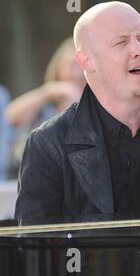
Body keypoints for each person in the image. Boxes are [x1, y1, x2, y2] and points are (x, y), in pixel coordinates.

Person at [14, 1, 140, 223]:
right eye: (121, 42)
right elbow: (34, 249)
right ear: (87, 61)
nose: (139, 51)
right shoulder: (47, 143)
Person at [5, 38, 85, 179]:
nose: (77, 74)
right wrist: (47, 91)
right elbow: (11, 116)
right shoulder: (45, 105)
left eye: (81, 66)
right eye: (71, 65)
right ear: (59, 68)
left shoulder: (99, 106)